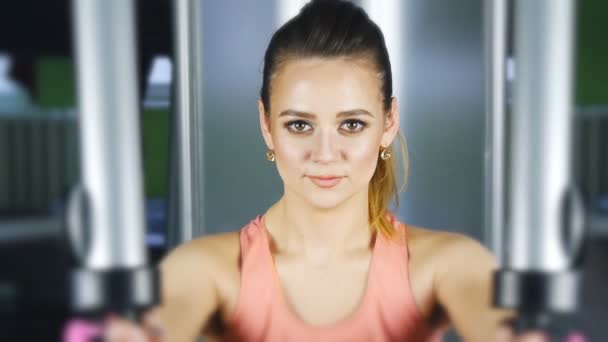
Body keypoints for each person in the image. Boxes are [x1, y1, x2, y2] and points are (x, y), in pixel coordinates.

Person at [105, 1, 549, 341]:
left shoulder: (446, 263)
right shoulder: (210, 268)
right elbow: (171, 312)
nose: (324, 153)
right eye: (299, 125)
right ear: (266, 125)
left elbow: (491, 317)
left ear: (388, 124)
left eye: (351, 124)